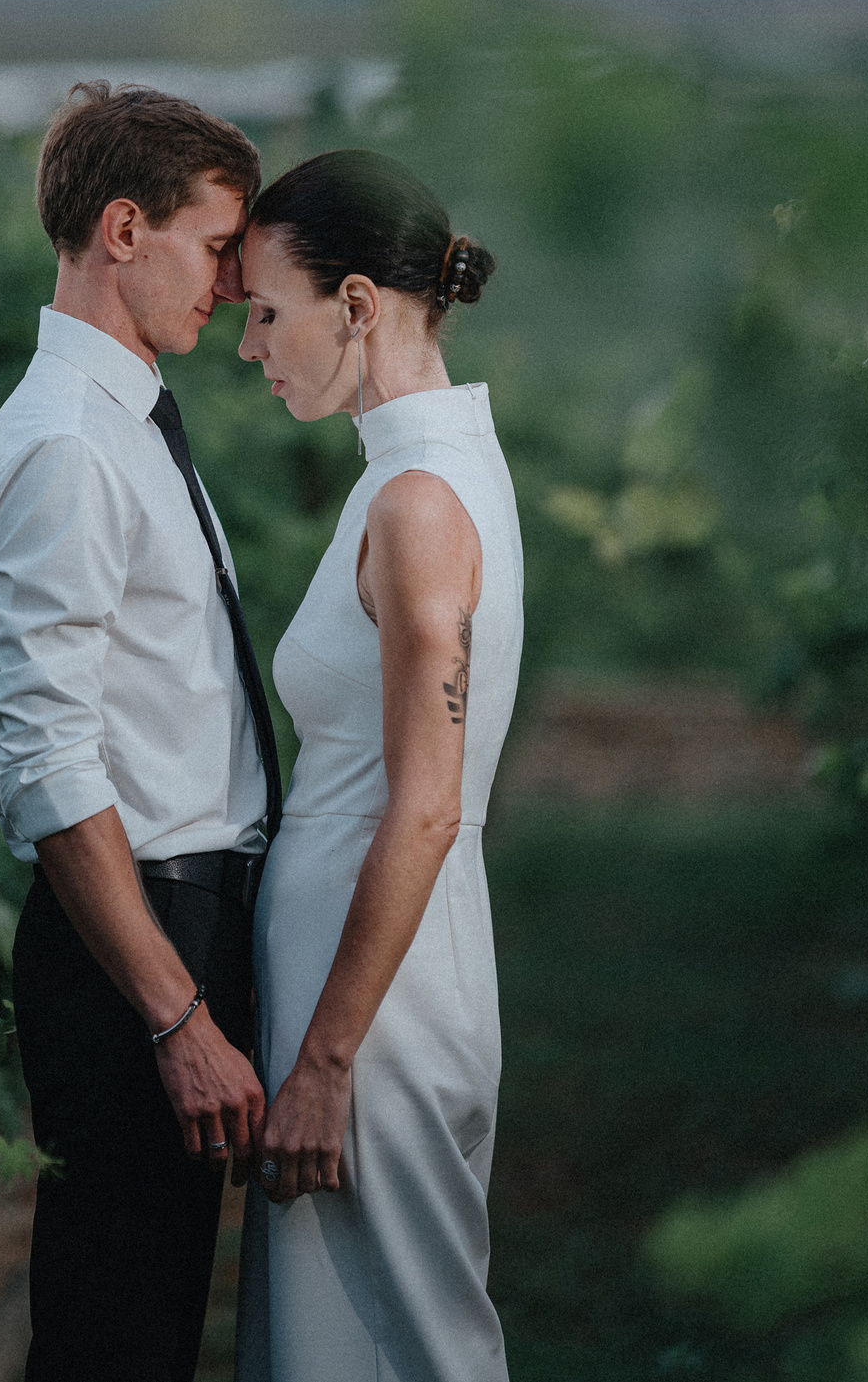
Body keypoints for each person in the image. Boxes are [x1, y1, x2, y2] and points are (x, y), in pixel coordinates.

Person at [0, 81, 282, 1382]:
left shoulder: (126, 420)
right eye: (216, 248)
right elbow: (47, 763)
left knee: (147, 1329)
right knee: (111, 1342)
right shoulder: (67, 450)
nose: (233, 281)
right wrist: (176, 1015)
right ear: (124, 228)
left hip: (179, 923)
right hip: (133, 944)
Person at [230, 148, 518, 1382]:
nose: (249, 345)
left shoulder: (414, 504)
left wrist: (323, 1062)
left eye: (263, 310)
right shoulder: (429, 469)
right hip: (379, 978)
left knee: (409, 1353)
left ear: (353, 304)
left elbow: (427, 804)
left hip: (373, 1009)